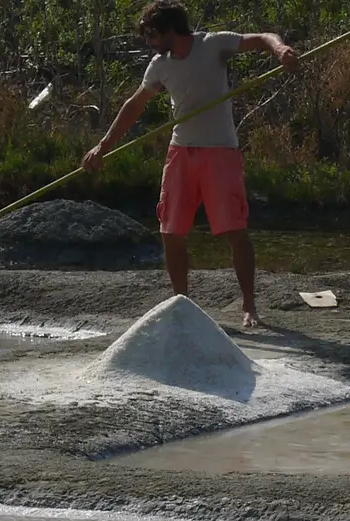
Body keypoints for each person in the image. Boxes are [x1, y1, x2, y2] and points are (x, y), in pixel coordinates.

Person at [80, 1, 298, 327]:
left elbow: (263, 37)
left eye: (152, 34)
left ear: (170, 29)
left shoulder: (213, 44)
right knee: (170, 231)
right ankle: (182, 304)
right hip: (181, 153)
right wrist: (103, 146)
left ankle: (249, 306)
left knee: (235, 231)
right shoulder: (159, 66)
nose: (148, 41)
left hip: (220, 152)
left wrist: (280, 50)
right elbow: (134, 105)